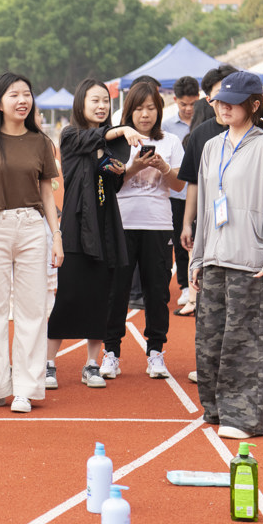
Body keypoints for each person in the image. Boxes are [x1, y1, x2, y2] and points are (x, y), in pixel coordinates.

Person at [0, 72, 63, 413]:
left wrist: (56, 235)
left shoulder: (40, 141)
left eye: (26, 94)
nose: (22, 100)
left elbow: (46, 192)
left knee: (33, 310)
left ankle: (26, 389)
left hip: (32, 227)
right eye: (14, 94)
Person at [190, 71, 263, 439]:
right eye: (220, 101)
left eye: (232, 102)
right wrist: (197, 258)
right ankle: (216, 409)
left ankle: (243, 417)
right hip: (214, 258)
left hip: (250, 260)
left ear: (254, 104)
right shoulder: (211, 146)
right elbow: (206, 207)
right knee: (209, 340)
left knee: (244, 342)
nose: (223, 107)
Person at [46, 78, 142, 389]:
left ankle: (91, 363)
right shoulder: (71, 135)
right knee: (69, 297)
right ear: (81, 104)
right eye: (95, 100)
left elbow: (114, 183)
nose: (101, 106)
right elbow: (96, 136)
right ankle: (48, 363)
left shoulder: (112, 142)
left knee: (102, 298)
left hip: (105, 226)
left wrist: (125, 168)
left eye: (105, 101)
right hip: (76, 225)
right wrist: (123, 129)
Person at [97, 82, 184, 381]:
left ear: (159, 110)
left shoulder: (171, 141)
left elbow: (179, 185)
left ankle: (156, 352)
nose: (145, 114)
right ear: (128, 111)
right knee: (115, 291)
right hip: (121, 224)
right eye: (138, 109)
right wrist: (133, 167)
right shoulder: (117, 141)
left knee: (157, 292)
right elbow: (108, 185)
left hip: (158, 225)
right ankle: (111, 352)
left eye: (150, 108)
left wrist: (163, 167)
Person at [177, 65, 238, 323]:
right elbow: (193, 183)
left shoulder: (255, 133)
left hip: (243, 221)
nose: (225, 100)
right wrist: (187, 223)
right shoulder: (200, 135)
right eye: (218, 93)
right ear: (209, 98)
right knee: (210, 285)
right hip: (209, 219)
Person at [163, 76, 199, 308]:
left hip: (199, 193)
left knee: (199, 240)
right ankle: (185, 286)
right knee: (180, 241)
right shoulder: (166, 127)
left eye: (192, 103)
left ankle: (200, 284)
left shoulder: (204, 122)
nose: (188, 109)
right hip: (176, 194)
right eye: (183, 104)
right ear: (175, 100)